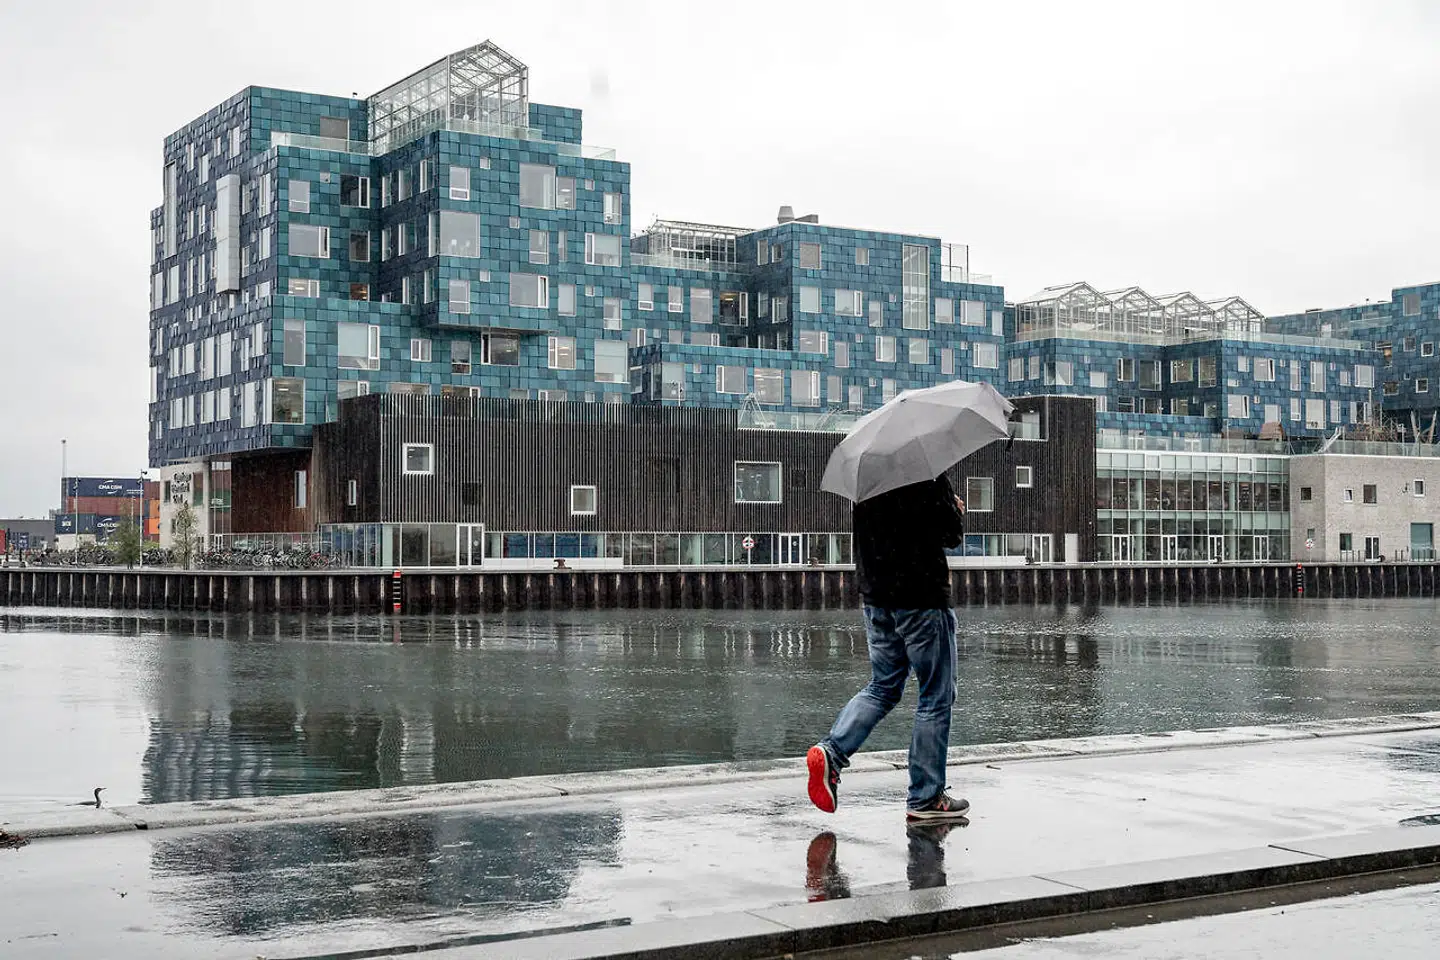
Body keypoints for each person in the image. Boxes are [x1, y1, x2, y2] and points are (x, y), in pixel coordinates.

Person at [807, 473, 970, 821]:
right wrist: (954, 510)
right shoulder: (926, 472)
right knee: (936, 695)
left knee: (883, 686)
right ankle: (926, 797)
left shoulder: (866, 475)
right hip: (922, 597)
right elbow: (950, 535)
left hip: (877, 598)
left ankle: (832, 751)